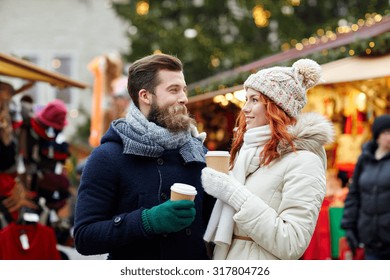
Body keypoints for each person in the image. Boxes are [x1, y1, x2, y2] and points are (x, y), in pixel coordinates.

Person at [73, 53, 209, 260]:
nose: (184, 98)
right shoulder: (108, 156)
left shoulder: (198, 151)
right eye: (174, 90)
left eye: (184, 89)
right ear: (145, 96)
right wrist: (147, 221)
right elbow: (84, 237)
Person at [201, 59, 334, 260]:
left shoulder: (305, 161)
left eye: (254, 100)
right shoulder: (248, 153)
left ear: (277, 107)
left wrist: (235, 194)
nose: (245, 108)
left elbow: (292, 243)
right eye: (246, 99)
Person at [341, 114, 390, 260]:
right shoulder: (365, 159)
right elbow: (354, 194)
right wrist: (349, 226)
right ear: (377, 136)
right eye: (385, 132)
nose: (389, 137)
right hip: (370, 238)